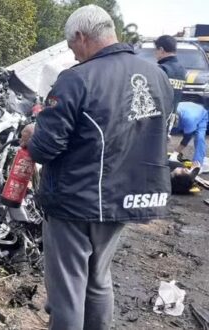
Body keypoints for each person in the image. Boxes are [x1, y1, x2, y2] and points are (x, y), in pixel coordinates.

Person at [20, 5, 174, 330]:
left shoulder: (76, 79)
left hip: (76, 201)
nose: (73, 55)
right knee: (99, 279)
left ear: (81, 36)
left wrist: (33, 134)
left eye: (72, 47)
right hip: (127, 199)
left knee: (67, 292)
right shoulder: (157, 76)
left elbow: (47, 148)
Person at [171, 99, 208, 170]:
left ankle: (197, 164)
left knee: (199, 138)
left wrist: (176, 152)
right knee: (173, 130)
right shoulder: (171, 110)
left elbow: (187, 138)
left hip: (201, 114)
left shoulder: (189, 119)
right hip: (186, 108)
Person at [154, 35, 187, 108]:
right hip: (174, 115)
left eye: (156, 50)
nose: (155, 53)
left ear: (161, 50)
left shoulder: (161, 69)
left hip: (161, 115)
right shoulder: (182, 70)